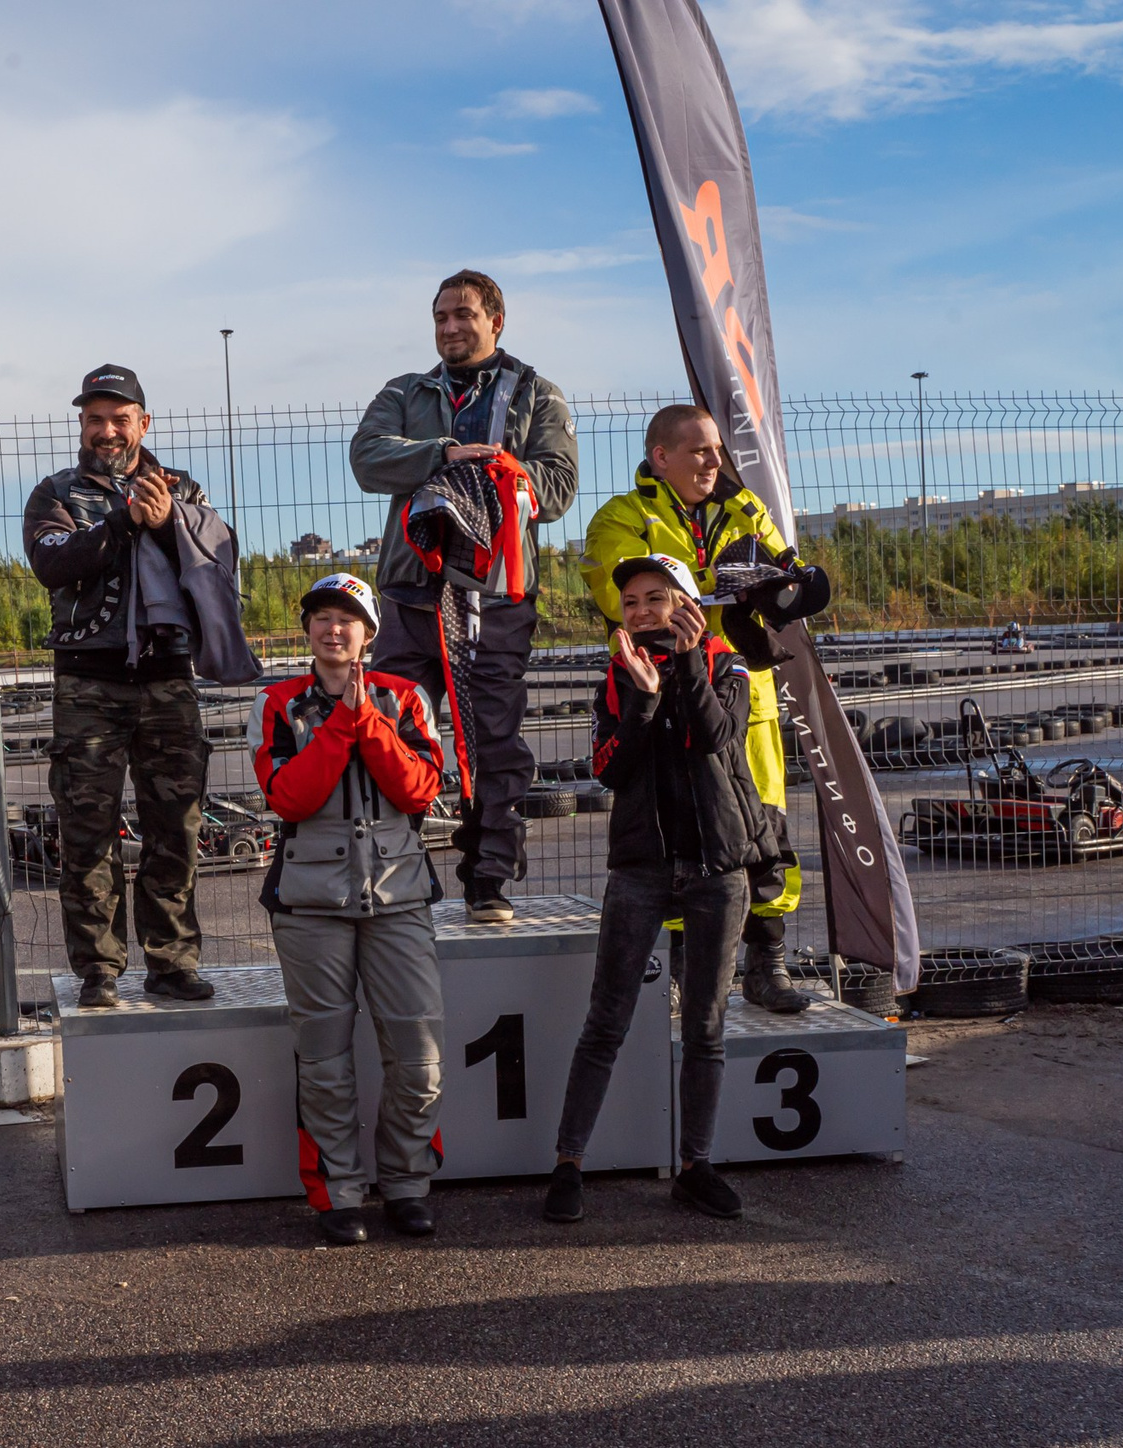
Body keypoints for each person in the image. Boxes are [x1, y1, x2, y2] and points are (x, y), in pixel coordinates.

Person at [544, 555, 781, 1225]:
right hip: (641, 868)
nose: (643, 611)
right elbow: (610, 772)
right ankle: (568, 1163)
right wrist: (644, 697)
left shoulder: (727, 662)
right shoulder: (618, 679)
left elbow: (716, 735)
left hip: (717, 868)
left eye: (656, 597)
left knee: (705, 1024)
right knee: (606, 1021)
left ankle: (694, 1165)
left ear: (687, 603)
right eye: (632, 603)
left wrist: (688, 668)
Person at [580, 404, 830, 1012]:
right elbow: (617, 590)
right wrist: (714, 578)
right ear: (661, 457)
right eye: (699, 452)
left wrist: (791, 588)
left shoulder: (745, 507)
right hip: (663, 693)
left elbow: (782, 567)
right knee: (679, 834)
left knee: (763, 827)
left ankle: (767, 964)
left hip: (745, 689)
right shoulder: (622, 516)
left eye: (717, 450)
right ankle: (685, 975)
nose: (715, 462)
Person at [349, 269, 578, 925]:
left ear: (495, 321)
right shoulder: (404, 391)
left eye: (464, 315)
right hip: (411, 597)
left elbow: (558, 487)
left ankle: (489, 879)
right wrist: (443, 453)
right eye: (441, 317)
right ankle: (396, 876)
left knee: (494, 744)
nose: (451, 327)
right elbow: (368, 459)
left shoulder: (536, 392)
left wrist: (498, 472)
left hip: (496, 598)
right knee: (392, 733)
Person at [25, 364, 253, 1009]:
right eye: (95, 418)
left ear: (143, 424)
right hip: (87, 685)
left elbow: (217, 565)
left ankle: (172, 964)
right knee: (87, 833)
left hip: (168, 681)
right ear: (81, 424)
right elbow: (52, 563)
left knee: (175, 830)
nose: (107, 430)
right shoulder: (56, 493)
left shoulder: (184, 489)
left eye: (119, 418)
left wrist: (164, 523)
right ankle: (98, 971)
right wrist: (124, 522)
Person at [251, 572, 450, 1245]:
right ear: (307, 629)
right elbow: (289, 798)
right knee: (325, 1062)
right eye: (321, 617)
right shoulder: (278, 703)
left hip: (399, 900)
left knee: (419, 1058)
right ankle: (338, 1192)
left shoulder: (404, 698)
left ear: (369, 632)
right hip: (310, 907)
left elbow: (421, 789)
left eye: (348, 618)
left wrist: (368, 724)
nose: (333, 629)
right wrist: (341, 727)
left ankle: (407, 1183)